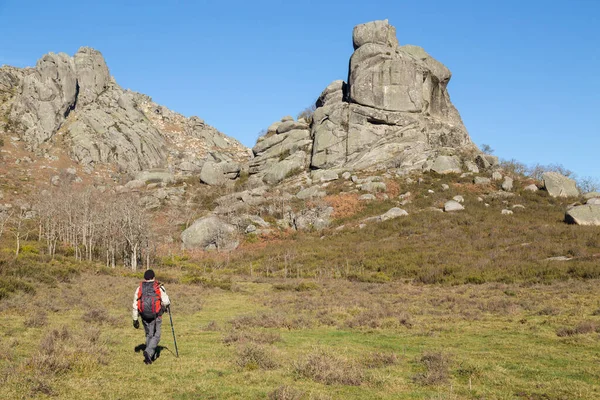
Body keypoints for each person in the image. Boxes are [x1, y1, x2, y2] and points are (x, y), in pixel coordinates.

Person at [132, 269, 170, 364]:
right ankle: (148, 352)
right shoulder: (158, 287)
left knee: (149, 334)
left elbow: (135, 303)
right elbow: (166, 302)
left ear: (144, 278)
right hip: (156, 315)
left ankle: (149, 356)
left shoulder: (139, 288)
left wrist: (135, 319)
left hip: (144, 315)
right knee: (157, 335)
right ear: (154, 277)